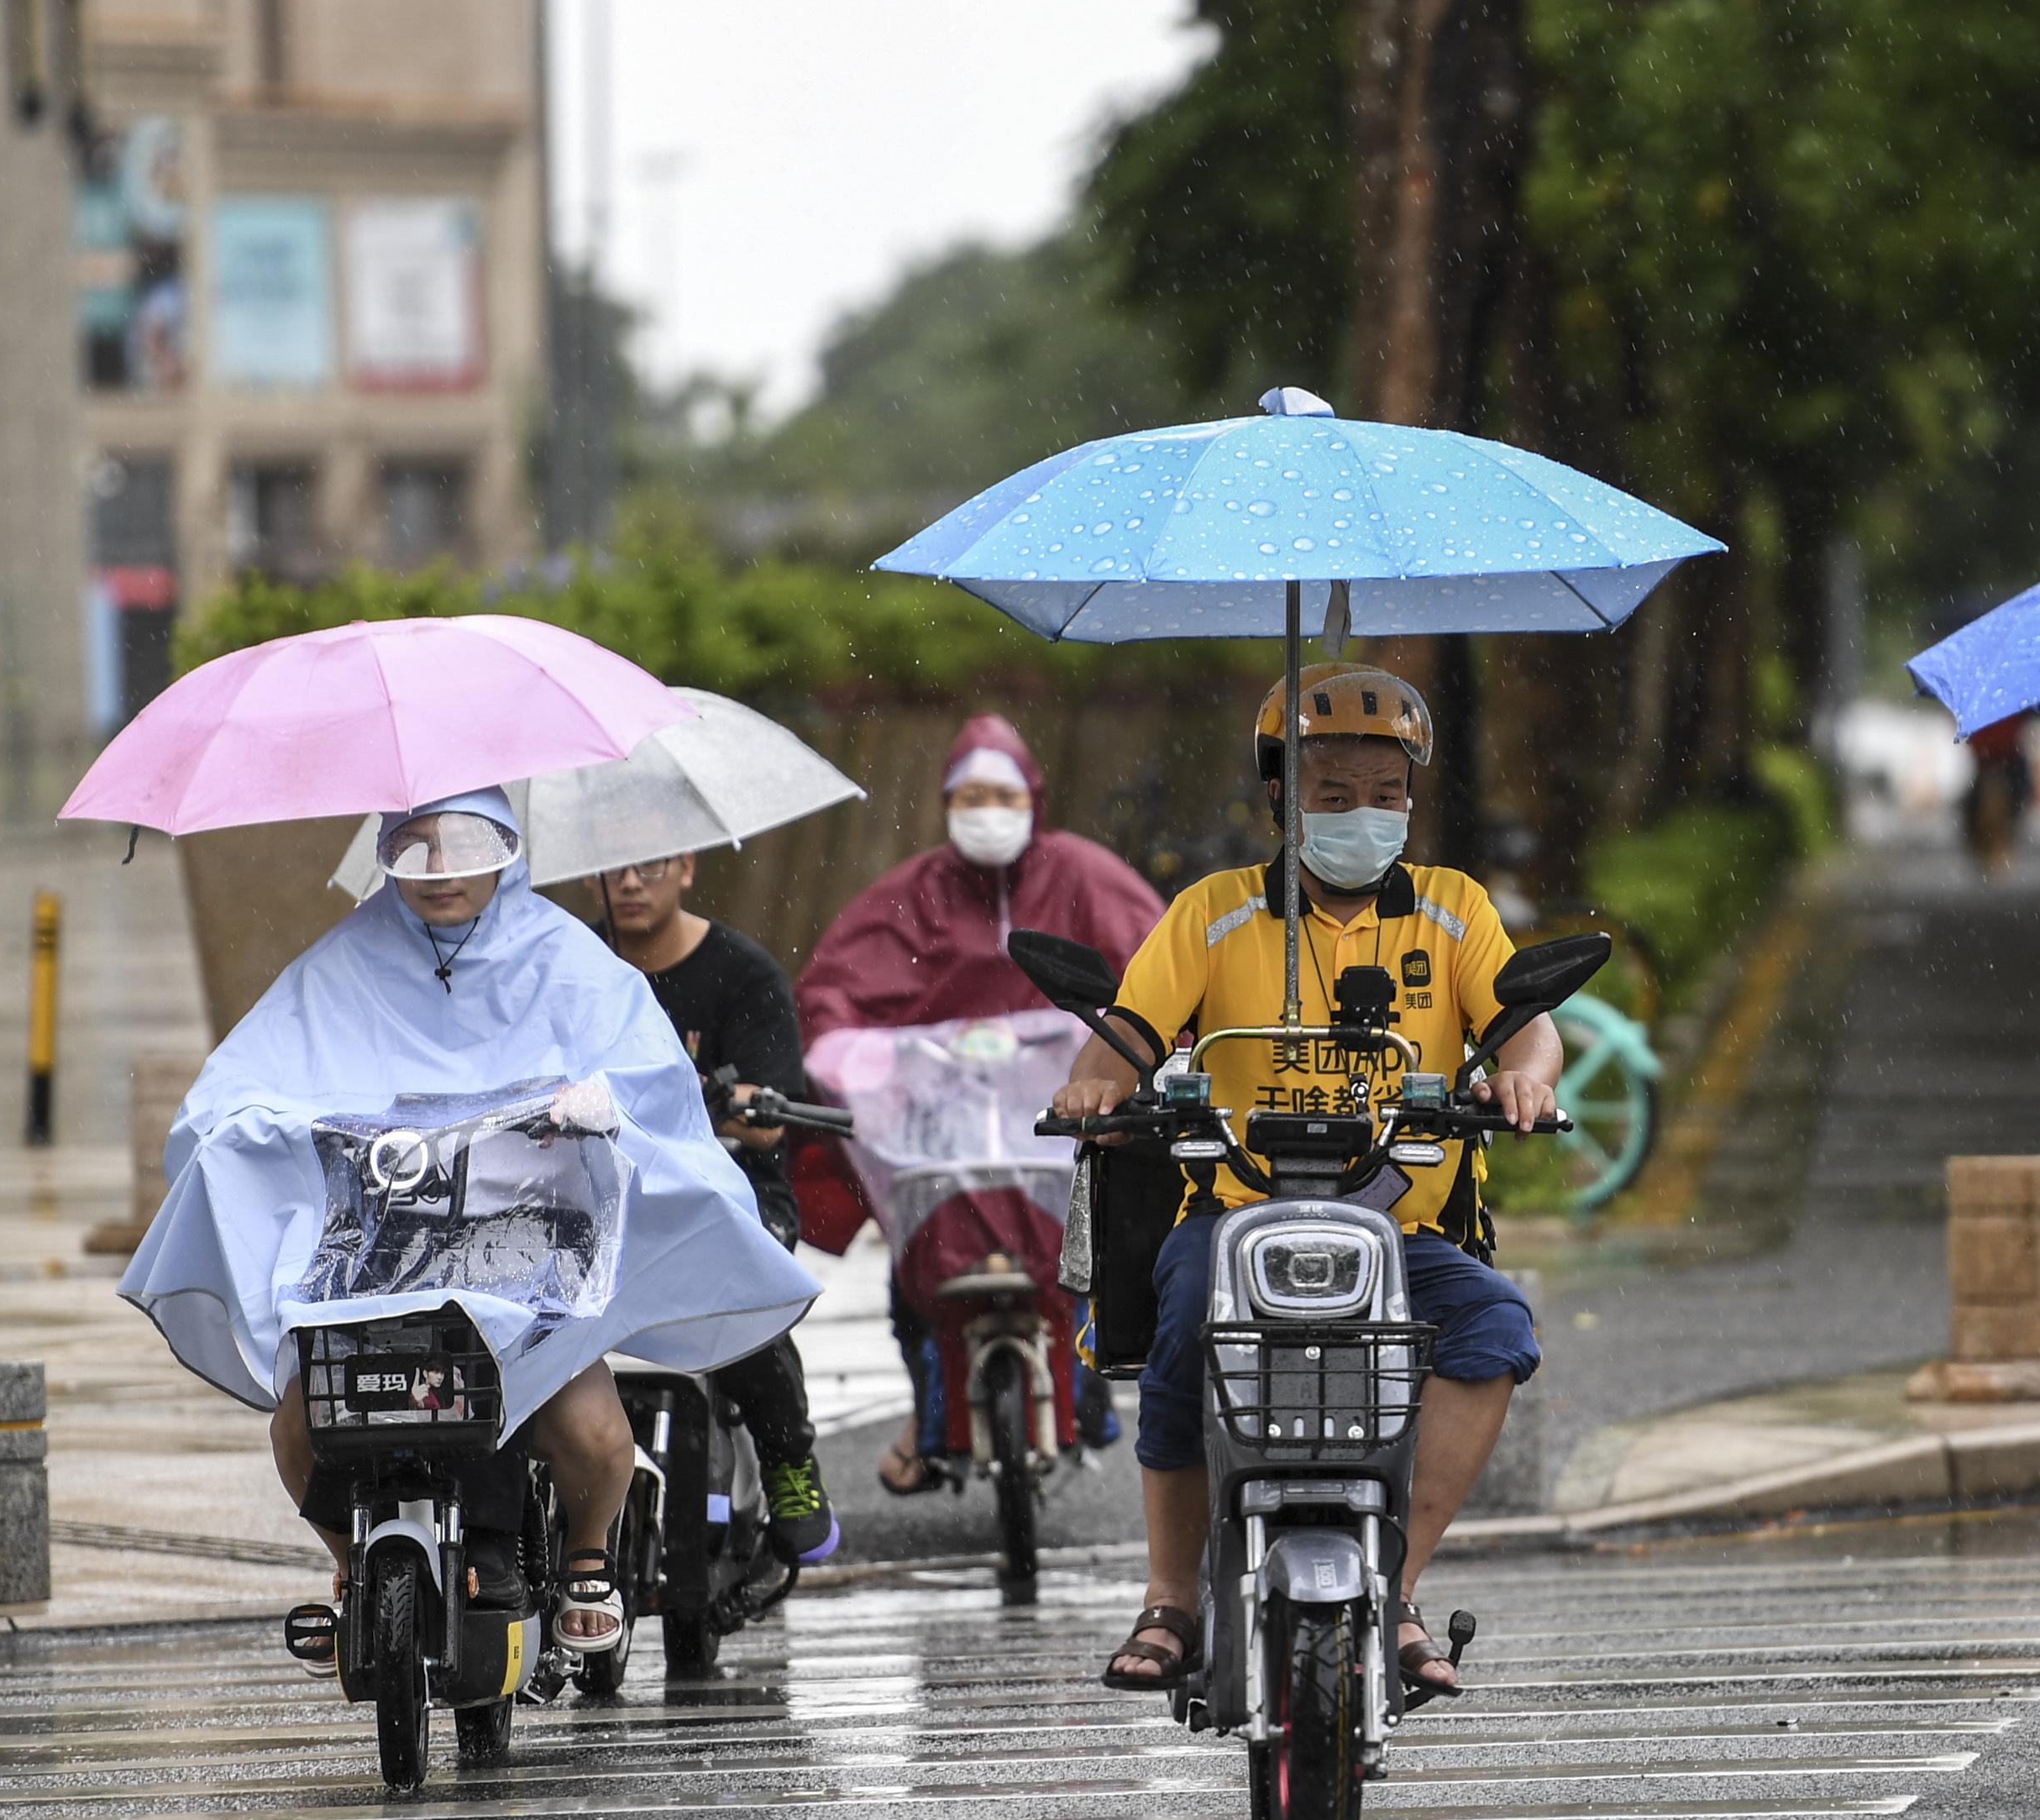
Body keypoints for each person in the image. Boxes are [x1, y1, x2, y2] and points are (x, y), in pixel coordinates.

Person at [122, 788, 818, 1665]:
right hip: (372, 1272)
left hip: (523, 1272)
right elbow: (238, 1084)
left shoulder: (568, 960)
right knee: (300, 1430)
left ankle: (589, 1558)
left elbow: (646, 1076)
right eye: (416, 847)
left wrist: (601, 1103)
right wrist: (259, 1129)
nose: (441, 870)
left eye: (464, 844)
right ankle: (348, 1566)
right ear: (384, 849)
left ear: (508, 846)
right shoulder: (340, 967)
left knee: (598, 1437)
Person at [1047, 664, 1562, 1701]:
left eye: (1384, 794)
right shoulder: (1212, 913)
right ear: (1280, 798)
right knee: (1182, 1322)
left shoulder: (1455, 911)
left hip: (1399, 1232)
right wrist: (1094, 1088)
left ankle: (1399, 1586)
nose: (1360, 816)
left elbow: (1527, 1031)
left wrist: (1522, 1077)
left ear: (1410, 799)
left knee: (1497, 1328)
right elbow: (1121, 1045)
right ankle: (1169, 1598)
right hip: (1235, 1219)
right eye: (1330, 796)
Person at [795, 715, 1163, 1492]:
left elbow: (1157, 968)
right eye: (970, 796)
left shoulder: (1085, 877)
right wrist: (850, 1054)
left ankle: (1086, 1377)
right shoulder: (911, 894)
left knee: (1099, 1253)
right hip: (947, 1134)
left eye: (1001, 793)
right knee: (916, 1264)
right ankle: (931, 1410)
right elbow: (835, 989)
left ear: (1032, 795)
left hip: (1060, 1120)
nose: (986, 810)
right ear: (945, 804)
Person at [595, 850, 840, 1566]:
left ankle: (788, 1458)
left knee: (741, 1276)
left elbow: (768, 1122)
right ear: (592, 874)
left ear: (688, 868)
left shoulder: (744, 972)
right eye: (617, 867)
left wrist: (725, 1104)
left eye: (652, 864)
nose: (631, 881)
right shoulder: (569, 967)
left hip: (733, 1190)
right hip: (605, 1195)